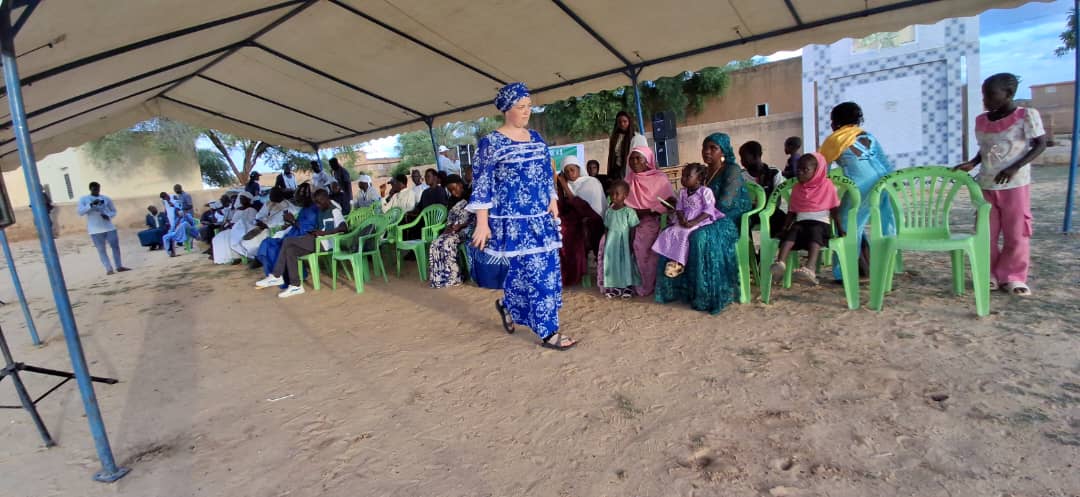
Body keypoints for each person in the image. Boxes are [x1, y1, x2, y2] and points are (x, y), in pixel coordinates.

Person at [470, 82, 576, 350]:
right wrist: (482, 222)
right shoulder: (490, 143)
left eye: (529, 106)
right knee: (525, 273)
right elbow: (482, 183)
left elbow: (546, 172)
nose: (527, 111)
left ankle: (521, 312)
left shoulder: (537, 138)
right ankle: (546, 329)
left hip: (540, 218)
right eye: (521, 107)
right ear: (507, 109)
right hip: (511, 222)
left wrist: (552, 199)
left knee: (543, 271)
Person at [955, 73, 1047, 296]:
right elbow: (986, 149)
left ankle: (1013, 277)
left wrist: (1014, 167)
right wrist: (973, 162)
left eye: (991, 95)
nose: (986, 100)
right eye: (984, 95)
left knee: (1016, 233)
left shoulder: (1026, 116)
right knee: (986, 232)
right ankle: (988, 274)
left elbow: (1040, 144)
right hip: (987, 185)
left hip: (1014, 185)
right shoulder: (982, 120)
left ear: (1009, 93)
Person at [654, 133, 751, 314]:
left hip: (726, 219)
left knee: (699, 237)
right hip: (700, 218)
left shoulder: (732, 170)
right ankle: (679, 290)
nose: (707, 152)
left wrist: (696, 217)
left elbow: (725, 203)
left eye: (713, 148)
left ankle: (705, 295)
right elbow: (691, 197)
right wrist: (680, 207)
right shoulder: (701, 172)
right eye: (705, 147)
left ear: (723, 151)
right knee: (672, 232)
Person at [821, 101, 896, 280]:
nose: (831, 125)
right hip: (883, 183)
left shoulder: (835, 139)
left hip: (860, 187)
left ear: (837, 122)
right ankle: (884, 266)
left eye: (832, 120)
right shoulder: (868, 136)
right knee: (883, 225)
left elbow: (821, 169)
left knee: (846, 225)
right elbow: (884, 163)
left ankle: (844, 273)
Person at [598, 145, 675, 297]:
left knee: (638, 241)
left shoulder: (660, 179)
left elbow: (669, 203)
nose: (634, 162)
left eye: (638, 158)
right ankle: (615, 282)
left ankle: (639, 284)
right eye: (631, 159)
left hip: (651, 220)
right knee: (605, 241)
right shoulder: (628, 180)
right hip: (626, 218)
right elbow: (620, 202)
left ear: (647, 160)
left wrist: (649, 211)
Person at [255, 189, 347, 298]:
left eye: (319, 202)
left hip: (326, 243)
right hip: (318, 240)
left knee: (288, 241)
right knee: (291, 250)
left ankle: (276, 275)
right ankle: (296, 286)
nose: (317, 205)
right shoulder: (321, 210)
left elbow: (343, 228)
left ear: (326, 199)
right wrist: (314, 231)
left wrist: (324, 233)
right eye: (316, 203)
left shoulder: (334, 211)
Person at [770, 153, 843, 286]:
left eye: (805, 170)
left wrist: (839, 228)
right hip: (801, 223)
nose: (800, 172)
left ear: (816, 171)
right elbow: (792, 211)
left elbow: (834, 209)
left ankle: (810, 268)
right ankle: (780, 263)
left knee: (815, 232)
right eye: (798, 169)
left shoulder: (827, 186)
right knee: (792, 232)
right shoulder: (797, 188)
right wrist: (784, 228)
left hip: (821, 224)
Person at [652, 163, 724, 277]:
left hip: (701, 220)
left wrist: (693, 222)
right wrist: (681, 219)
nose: (683, 179)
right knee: (670, 231)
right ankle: (670, 257)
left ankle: (679, 263)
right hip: (685, 219)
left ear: (698, 179)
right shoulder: (682, 192)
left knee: (685, 234)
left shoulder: (705, 191)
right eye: (683, 176)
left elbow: (708, 210)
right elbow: (679, 208)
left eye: (687, 176)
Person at [555, 156, 605, 286]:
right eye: (566, 171)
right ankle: (573, 273)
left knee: (583, 233)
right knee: (563, 232)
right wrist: (561, 187)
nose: (570, 173)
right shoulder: (567, 185)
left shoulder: (592, 182)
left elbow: (586, 207)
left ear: (579, 169)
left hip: (593, 220)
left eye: (572, 169)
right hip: (576, 220)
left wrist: (564, 185)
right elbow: (564, 206)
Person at [256, 183, 318, 278]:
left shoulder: (312, 210)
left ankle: (282, 277)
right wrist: (291, 223)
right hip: (292, 235)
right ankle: (273, 275)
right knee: (266, 243)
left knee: (275, 247)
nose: (297, 197)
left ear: (309, 196)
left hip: (302, 239)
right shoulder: (304, 209)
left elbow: (308, 231)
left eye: (301, 194)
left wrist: (292, 221)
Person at [428, 175, 475, 288]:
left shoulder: (471, 197)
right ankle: (439, 279)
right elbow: (449, 220)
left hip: (467, 229)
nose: (453, 192)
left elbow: (475, 218)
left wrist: (460, 226)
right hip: (454, 230)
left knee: (447, 243)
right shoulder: (451, 201)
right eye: (450, 190)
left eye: (454, 188)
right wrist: (448, 228)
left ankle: (454, 277)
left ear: (460, 184)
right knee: (435, 244)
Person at [76, 182, 129, 274]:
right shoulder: (84, 199)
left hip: (109, 227)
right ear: (90, 189)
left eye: (98, 189)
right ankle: (109, 269)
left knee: (115, 247)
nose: (97, 191)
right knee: (101, 250)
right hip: (95, 230)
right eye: (94, 189)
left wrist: (108, 215)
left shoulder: (106, 198)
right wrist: (90, 205)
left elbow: (113, 211)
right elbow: (80, 212)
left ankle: (119, 266)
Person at [601, 180, 639, 299]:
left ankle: (628, 287)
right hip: (612, 243)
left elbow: (633, 228)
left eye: (617, 194)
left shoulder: (629, 212)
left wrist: (630, 243)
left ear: (625, 195)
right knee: (613, 264)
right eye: (612, 193)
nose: (614, 196)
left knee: (626, 263)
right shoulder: (609, 211)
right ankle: (616, 287)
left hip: (624, 242)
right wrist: (606, 242)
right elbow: (606, 227)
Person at [739, 141, 785, 238]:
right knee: (741, 220)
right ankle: (751, 245)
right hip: (749, 212)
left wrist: (767, 210)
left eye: (743, 157)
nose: (741, 161)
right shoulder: (741, 176)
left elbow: (777, 198)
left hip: (770, 211)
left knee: (780, 218)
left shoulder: (774, 173)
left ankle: (770, 245)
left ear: (756, 156)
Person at [239, 187, 295, 263]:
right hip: (263, 226)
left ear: (280, 195)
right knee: (246, 235)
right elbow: (259, 215)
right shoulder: (268, 203)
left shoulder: (288, 206)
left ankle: (260, 258)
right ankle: (255, 256)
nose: (270, 197)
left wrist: (268, 225)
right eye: (270, 195)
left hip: (276, 230)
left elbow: (284, 222)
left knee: (261, 240)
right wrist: (260, 221)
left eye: (272, 195)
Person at [212, 192, 257, 264]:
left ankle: (236, 256)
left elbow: (250, 222)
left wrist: (236, 225)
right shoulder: (238, 210)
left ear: (248, 200)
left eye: (243, 199)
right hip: (234, 228)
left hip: (245, 229)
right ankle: (226, 257)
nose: (241, 200)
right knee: (220, 236)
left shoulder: (251, 210)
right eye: (241, 199)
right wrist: (230, 224)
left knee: (230, 236)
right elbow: (233, 220)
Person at [606, 111, 637, 180]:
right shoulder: (615, 137)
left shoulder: (635, 137)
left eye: (625, 121)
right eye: (619, 122)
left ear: (629, 122)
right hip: (616, 170)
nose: (622, 124)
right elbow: (611, 156)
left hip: (629, 170)